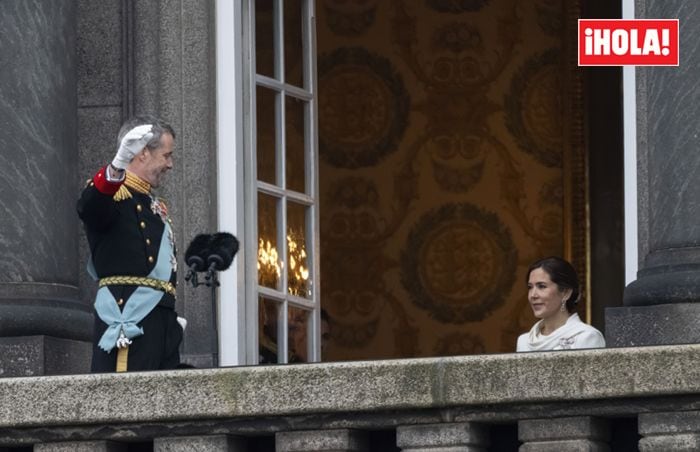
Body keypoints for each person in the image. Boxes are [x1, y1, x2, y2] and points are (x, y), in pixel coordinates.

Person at [77, 115, 185, 372]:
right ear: (143, 153)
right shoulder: (112, 194)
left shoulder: (152, 203)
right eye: (166, 155)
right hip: (129, 315)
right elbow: (88, 206)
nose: (170, 164)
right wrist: (117, 166)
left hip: (160, 318)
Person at [517, 256, 605, 352]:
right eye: (530, 287)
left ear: (566, 293)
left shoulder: (586, 337)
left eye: (541, 286)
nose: (533, 295)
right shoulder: (524, 341)